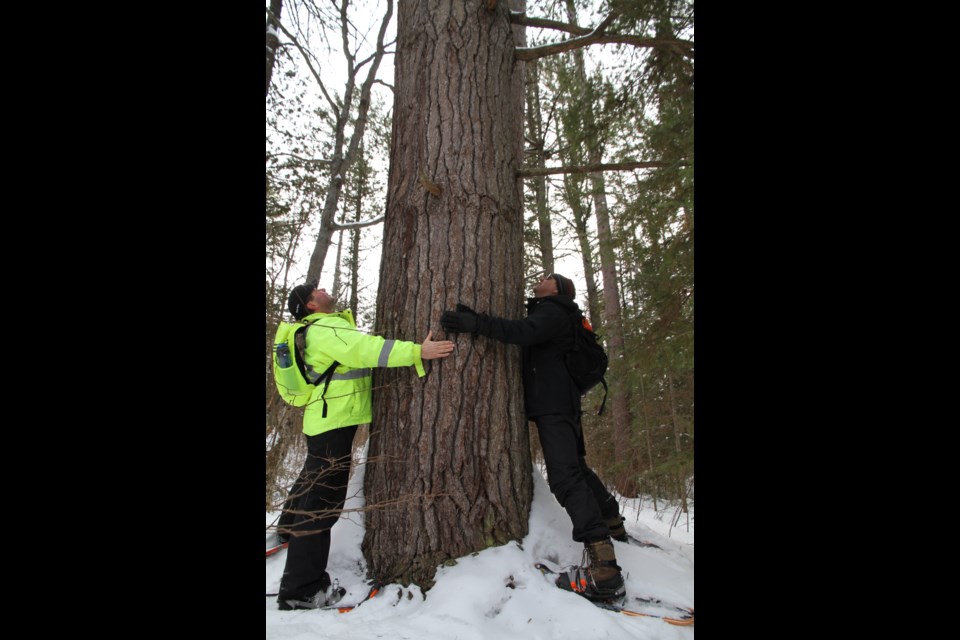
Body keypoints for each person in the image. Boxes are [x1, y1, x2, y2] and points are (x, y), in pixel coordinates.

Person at [440, 274, 626, 601]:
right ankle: (611, 519)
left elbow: (521, 333)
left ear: (556, 290)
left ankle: (604, 568)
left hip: (554, 405)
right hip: (561, 403)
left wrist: (476, 323)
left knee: (565, 477)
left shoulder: (554, 311)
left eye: (546, 278)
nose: (540, 279)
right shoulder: (557, 313)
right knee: (576, 469)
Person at [276, 282, 454, 611]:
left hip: (325, 421)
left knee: (313, 489)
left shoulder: (317, 328)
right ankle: (301, 590)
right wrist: (417, 352)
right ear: (311, 305)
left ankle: (287, 531)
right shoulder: (326, 327)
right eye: (317, 291)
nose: (325, 290)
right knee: (322, 507)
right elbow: (365, 350)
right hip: (332, 424)